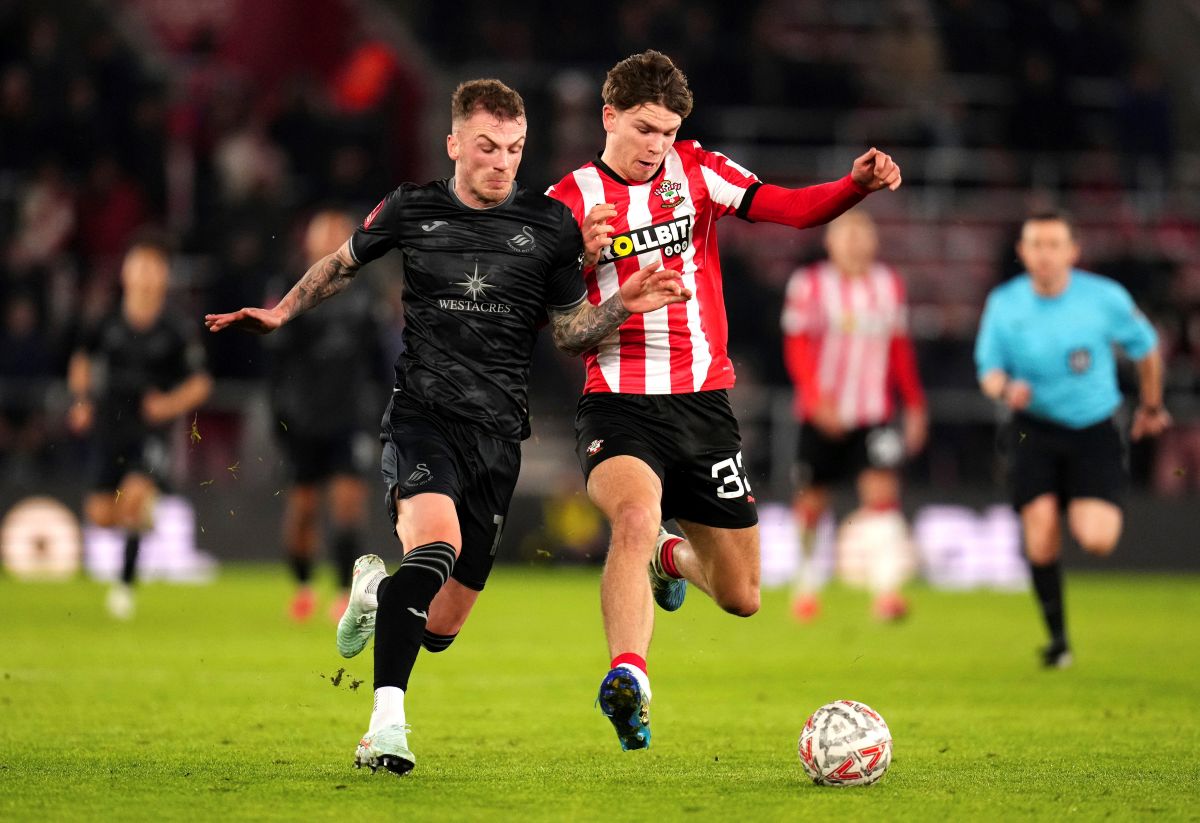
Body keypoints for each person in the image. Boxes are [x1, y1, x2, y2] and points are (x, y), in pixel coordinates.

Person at [204, 79, 689, 776]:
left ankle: (375, 590)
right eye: (488, 147)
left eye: (516, 149)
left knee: (442, 623)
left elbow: (570, 333)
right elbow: (344, 264)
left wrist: (626, 303)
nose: (502, 162)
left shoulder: (550, 226)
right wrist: (282, 312)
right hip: (421, 418)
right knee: (435, 546)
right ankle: (385, 727)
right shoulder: (413, 207)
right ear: (455, 142)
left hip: (496, 438)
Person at [546, 50, 902, 751]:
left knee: (742, 595)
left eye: (670, 131)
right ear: (609, 115)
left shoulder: (698, 170)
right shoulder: (568, 202)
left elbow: (789, 209)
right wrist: (578, 261)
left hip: (704, 406)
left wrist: (852, 187)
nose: (658, 146)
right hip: (618, 400)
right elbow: (553, 323)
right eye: (645, 129)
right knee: (634, 516)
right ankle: (630, 675)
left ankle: (670, 561)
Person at [974, 211, 1170, 668]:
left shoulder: (1104, 298)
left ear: (1072, 251)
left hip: (1093, 429)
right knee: (1040, 538)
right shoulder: (1004, 303)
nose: (1044, 254)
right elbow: (988, 371)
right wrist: (1006, 388)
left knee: (1097, 539)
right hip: (1033, 428)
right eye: (1035, 245)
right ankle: (1058, 641)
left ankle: (1067, 496)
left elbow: (1147, 349)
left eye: (1053, 244)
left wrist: (1152, 406)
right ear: (1022, 252)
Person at [781, 209, 927, 622]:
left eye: (862, 235)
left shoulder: (888, 285)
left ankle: (885, 593)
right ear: (830, 242)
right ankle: (807, 584)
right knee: (811, 504)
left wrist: (914, 404)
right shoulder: (808, 284)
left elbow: (899, 349)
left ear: (874, 242)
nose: (854, 243)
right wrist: (814, 398)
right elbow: (796, 347)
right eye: (846, 236)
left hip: (872, 412)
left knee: (881, 495)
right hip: (820, 414)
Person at [66, 239, 213, 619]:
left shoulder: (176, 328)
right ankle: (141, 521)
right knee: (100, 513)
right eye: (140, 267)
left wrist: (168, 405)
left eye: (154, 269)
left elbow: (200, 383)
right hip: (109, 427)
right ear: (125, 274)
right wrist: (81, 401)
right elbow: (82, 359)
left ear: (164, 277)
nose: (146, 277)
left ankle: (125, 587)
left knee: (131, 498)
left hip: (150, 434)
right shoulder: (106, 320)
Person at [265, 209, 381, 622]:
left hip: (350, 416)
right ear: (308, 242)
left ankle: (342, 593)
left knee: (348, 505)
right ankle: (302, 585)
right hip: (304, 418)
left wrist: (384, 412)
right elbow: (277, 363)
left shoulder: (367, 295)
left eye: (338, 232)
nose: (331, 239)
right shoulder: (290, 290)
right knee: (304, 510)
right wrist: (281, 415)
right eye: (323, 232)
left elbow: (379, 361)